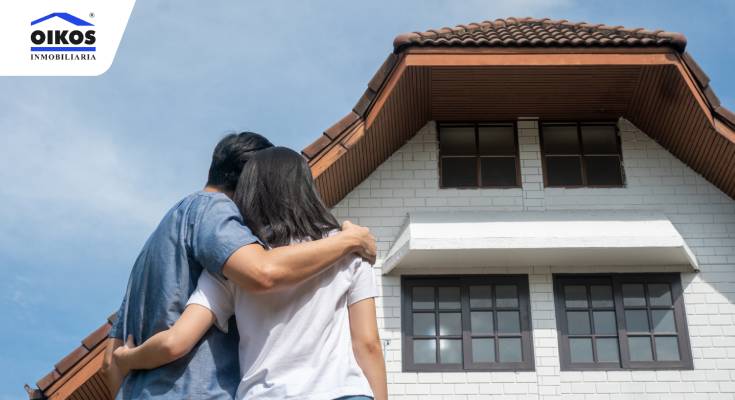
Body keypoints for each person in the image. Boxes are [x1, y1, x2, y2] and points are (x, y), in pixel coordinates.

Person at [101, 134, 377, 400]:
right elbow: (262, 271)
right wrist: (348, 239)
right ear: (250, 181)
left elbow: (109, 362)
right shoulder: (214, 210)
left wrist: (130, 362)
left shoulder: (151, 250)